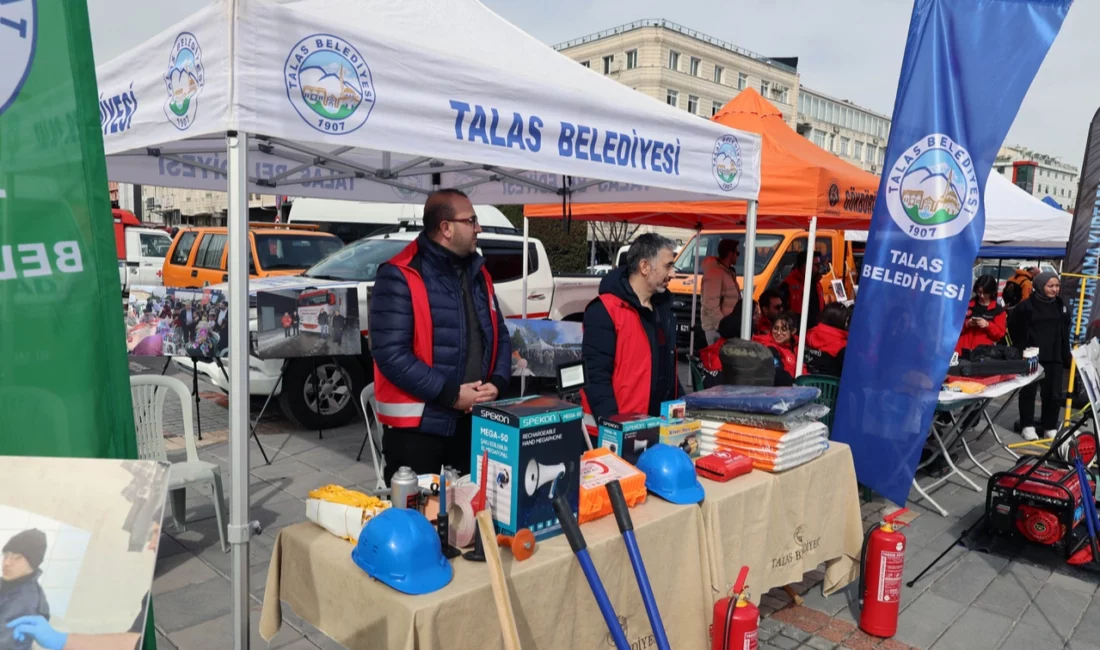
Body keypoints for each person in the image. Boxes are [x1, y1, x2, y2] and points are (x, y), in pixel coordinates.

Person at [370, 189, 511, 484]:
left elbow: (500, 336)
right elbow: (392, 355)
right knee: (420, 525)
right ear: (446, 228)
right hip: (418, 432)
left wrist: (496, 383)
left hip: (473, 424)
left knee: (471, 521)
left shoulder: (478, 274)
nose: (479, 228)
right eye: (471, 220)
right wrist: (452, 395)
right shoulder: (400, 274)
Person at [582, 234, 684, 421]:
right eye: (668, 266)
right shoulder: (604, 310)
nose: (673, 274)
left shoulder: (663, 310)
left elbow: (668, 368)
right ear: (645, 267)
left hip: (661, 425)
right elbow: (596, 378)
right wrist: (613, 426)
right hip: (623, 429)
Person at [1009, 272, 1071, 440]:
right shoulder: (1026, 306)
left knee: (1053, 394)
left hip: (1055, 355)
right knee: (1028, 392)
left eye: (1057, 286)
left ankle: (1049, 426)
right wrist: (1022, 348)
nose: (1054, 289)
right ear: (1040, 286)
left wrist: (1066, 354)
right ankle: (1027, 426)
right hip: (1032, 356)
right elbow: (1014, 326)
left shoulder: (1061, 305)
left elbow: (1065, 330)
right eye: (1050, 286)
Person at [0, 529, 50, 650]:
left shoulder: (25, 603)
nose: (6, 563)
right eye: (6, 555)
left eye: (17, 558)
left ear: (32, 563)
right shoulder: (11, 583)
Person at [700, 239, 742, 345]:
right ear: (730, 254)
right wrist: (722, 326)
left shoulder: (726, 271)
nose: (738, 256)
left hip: (726, 327)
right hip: (718, 330)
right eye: (737, 253)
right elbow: (710, 303)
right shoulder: (715, 273)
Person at [955, 275, 1007, 354]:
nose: (982, 296)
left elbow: (999, 335)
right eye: (979, 292)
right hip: (961, 350)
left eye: (985, 293)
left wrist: (987, 325)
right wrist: (967, 324)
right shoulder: (967, 305)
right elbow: (953, 327)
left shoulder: (998, 311)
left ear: (991, 292)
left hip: (982, 353)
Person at [803, 302, 850, 377]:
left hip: (807, 383)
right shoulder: (843, 345)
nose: (847, 324)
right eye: (846, 321)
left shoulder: (809, 335)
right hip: (833, 386)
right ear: (839, 321)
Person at [780, 252, 825, 328]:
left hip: (816, 328)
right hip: (797, 330)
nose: (820, 267)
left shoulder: (817, 283)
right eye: (816, 265)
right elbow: (781, 311)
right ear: (805, 266)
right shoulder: (788, 284)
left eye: (819, 264)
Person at [754, 312, 799, 385]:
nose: (778, 333)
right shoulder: (769, 347)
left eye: (783, 329)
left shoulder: (798, 346)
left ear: (793, 331)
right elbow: (777, 374)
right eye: (775, 328)